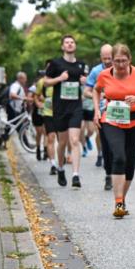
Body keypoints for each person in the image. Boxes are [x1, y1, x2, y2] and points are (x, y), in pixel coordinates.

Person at [92, 44, 135, 218]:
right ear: (111, 60)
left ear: (130, 60)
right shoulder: (104, 75)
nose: (120, 65)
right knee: (119, 157)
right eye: (117, 61)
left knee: (130, 164)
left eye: (123, 61)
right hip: (112, 120)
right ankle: (118, 201)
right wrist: (97, 110)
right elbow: (96, 91)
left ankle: (122, 199)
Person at [42, 35, 89, 188]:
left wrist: (85, 81)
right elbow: (46, 82)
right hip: (60, 108)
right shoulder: (56, 63)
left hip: (75, 107)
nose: (69, 44)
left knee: (74, 140)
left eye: (72, 42)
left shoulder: (81, 65)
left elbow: (88, 83)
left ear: (75, 46)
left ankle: (75, 175)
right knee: (62, 142)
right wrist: (59, 79)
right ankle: (61, 169)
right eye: (66, 43)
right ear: (62, 47)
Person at [84, 44, 114, 190]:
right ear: (101, 57)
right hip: (103, 111)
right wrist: (99, 95)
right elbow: (86, 91)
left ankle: (118, 170)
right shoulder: (96, 71)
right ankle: (108, 173)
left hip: (120, 112)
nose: (108, 61)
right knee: (107, 143)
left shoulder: (121, 68)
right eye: (105, 58)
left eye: (110, 58)